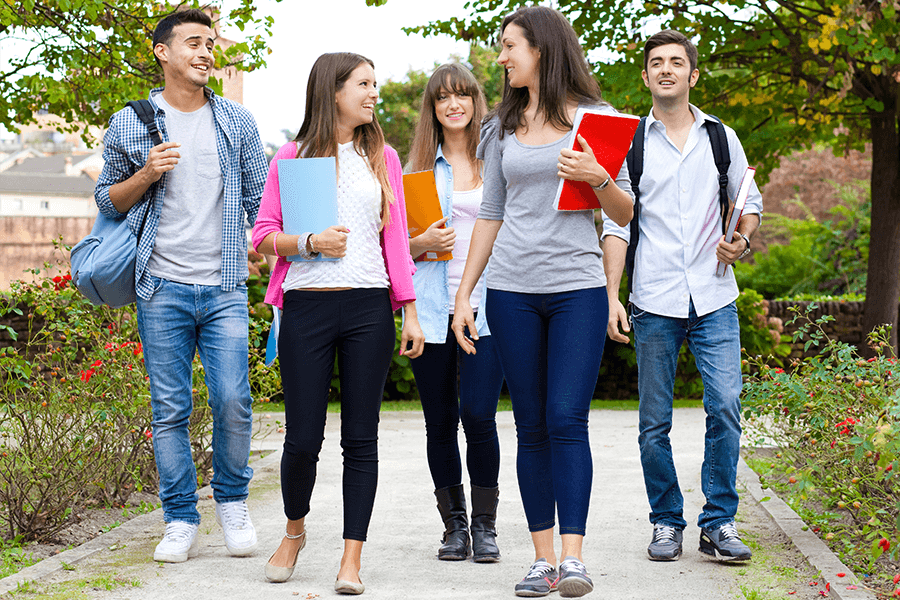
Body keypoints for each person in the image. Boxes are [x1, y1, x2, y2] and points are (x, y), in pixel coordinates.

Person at [451, 6, 633, 598]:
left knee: (565, 419)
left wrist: (597, 175)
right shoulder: (499, 125)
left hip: (577, 289)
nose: (501, 58)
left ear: (544, 49)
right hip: (510, 291)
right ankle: (542, 559)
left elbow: (625, 213)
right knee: (528, 425)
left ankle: (574, 559)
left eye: (510, 47)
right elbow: (491, 212)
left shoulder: (597, 120)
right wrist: (465, 294)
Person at [93, 8, 267, 563]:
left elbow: (259, 202)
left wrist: (269, 248)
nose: (205, 53)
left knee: (233, 400)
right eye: (193, 42)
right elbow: (107, 201)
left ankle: (233, 503)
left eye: (211, 44)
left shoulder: (236, 121)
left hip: (224, 286)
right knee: (169, 407)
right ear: (163, 51)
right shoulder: (132, 121)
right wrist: (146, 173)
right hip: (160, 284)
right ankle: (179, 519)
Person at [251, 52, 425, 594]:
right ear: (332, 92)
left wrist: (410, 309)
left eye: (376, 82)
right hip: (307, 306)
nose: (374, 93)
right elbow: (261, 236)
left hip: (369, 307)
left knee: (361, 438)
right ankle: (294, 531)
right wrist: (309, 244)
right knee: (303, 438)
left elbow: (394, 239)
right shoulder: (291, 156)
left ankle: (352, 557)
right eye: (364, 84)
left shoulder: (383, 158)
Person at [602, 30, 762, 563]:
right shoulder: (632, 143)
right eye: (656, 63)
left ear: (692, 75)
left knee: (725, 406)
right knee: (654, 423)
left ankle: (718, 522)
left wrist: (739, 238)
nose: (666, 69)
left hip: (715, 295)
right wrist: (612, 295)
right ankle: (667, 521)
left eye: (677, 62)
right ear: (646, 77)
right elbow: (617, 224)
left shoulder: (722, 137)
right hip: (653, 298)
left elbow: (748, 200)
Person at [404, 63, 505, 563]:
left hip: (488, 305)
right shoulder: (416, 172)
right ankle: (455, 527)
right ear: (434, 109)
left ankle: (486, 525)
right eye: (442, 97)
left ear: (475, 101)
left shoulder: (498, 160)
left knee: (479, 414)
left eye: (462, 94)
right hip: (431, 308)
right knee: (439, 421)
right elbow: (391, 250)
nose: (453, 104)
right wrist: (418, 243)